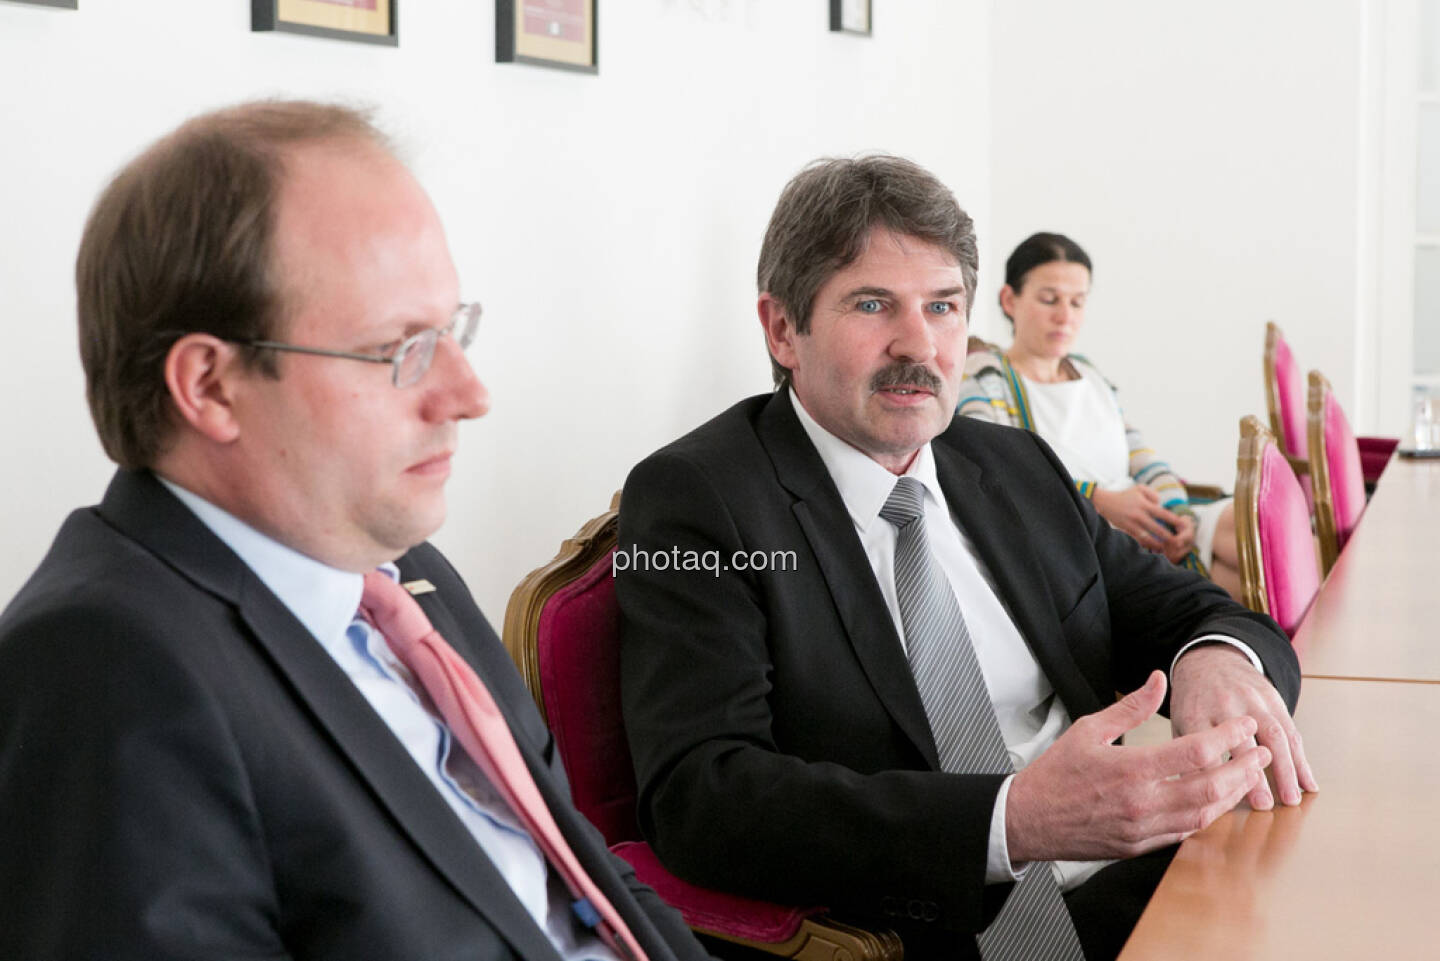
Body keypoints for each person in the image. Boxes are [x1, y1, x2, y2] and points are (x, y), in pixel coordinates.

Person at [0, 101, 709, 961]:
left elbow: (581, 879)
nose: (467, 392)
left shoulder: (403, 573)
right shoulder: (103, 666)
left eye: (451, 330)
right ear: (211, 386)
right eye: (398, 348)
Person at [615, 155, 1315, 961]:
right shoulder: (698, 500)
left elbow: (1195, 610)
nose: (919, 344)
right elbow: (702, 795)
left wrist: (1217, 661)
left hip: (1146, 867)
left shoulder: (1015, 466)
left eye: (943, 306)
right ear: (782, 328)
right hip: (943, 924)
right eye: (873, 304)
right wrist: (1008, 818)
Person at [957, 233, 1242, 598]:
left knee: (1255, 527)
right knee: (1245, 578)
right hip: (1082, 541)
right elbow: (998, 475)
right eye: (1049, 299)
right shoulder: (985, 374)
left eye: (1077, 302)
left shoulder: (1089, 373)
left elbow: (1141, 455)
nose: (1065, 316)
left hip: (1149, 527)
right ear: (1009, 300)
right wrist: (1098, 501)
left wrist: (1180, 513)